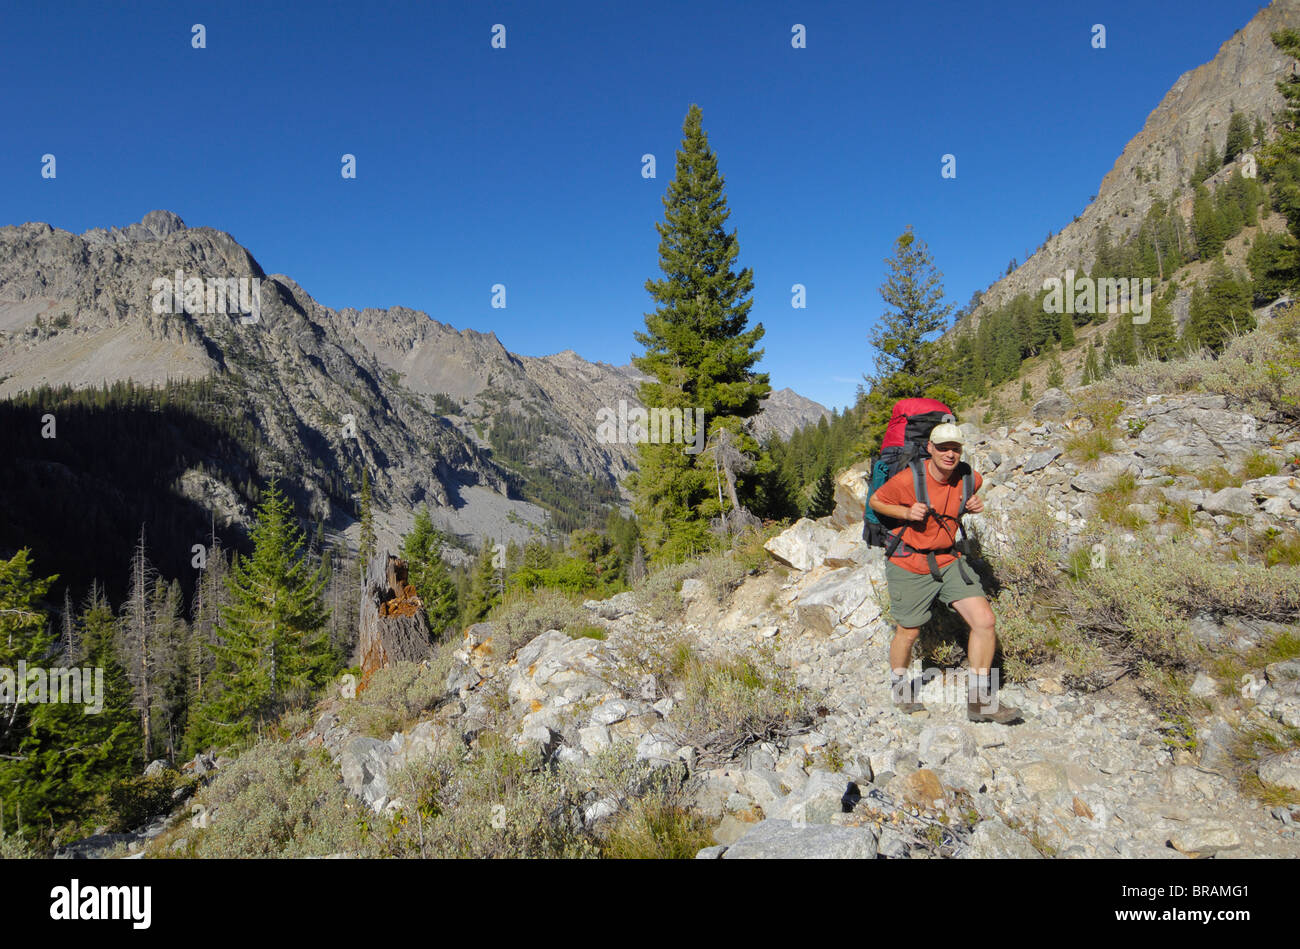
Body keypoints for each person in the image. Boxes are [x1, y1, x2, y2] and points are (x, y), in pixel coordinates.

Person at [867, 422, 1022, 724]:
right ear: (930, 448)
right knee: (908, 631)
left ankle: (980, 702)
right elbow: (876, 501)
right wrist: (905, 512)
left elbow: (955, 505)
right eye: (943, 448)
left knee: (985, 621)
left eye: (955, 448)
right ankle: (900, 690)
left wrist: (973, 504)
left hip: (948, 560)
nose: (950, 454)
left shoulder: (969, 478)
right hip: (909, 562)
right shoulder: (910, 479)